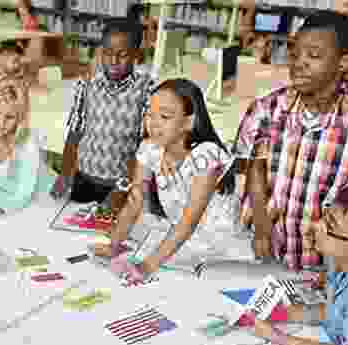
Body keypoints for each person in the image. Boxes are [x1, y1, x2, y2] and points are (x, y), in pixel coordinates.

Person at [234, 10, 348, 271]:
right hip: (255, 256)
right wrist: (261, 226)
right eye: (295, 54)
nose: (299, 63)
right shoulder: (265, 109)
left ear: (344, 62)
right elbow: (252, 167)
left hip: (320, 271)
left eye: (313, 55)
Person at [92, 79, 248, 282]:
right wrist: (113, 245)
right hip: (180, 239)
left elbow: (188, 222)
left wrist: (147, 267)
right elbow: (134, 201)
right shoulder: (150, 149)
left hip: (219, 244)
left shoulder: (206, 155)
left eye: (164, 116)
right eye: (149, 114)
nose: (153, 123)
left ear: (188, 122)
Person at [245, 184, 348, 345]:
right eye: (324, 217)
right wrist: (280, 313)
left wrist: (278, 338)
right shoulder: (340, 261)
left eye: (329, 226)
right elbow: (332, 312)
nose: (316, 225)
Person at [51, 18, 159, 204]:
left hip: (120, 185)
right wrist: (65, 175)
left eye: (122, 55)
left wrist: (123, 187)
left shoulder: (147, 89)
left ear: (135, 54)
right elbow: (75, 132)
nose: (113, 61)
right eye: (107, 53)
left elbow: (144, 146)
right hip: (84, 179)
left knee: (107, 229)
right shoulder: (86, 84)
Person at [0, 78, 54, 222]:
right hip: (10, 197)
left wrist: (0, 208)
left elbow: (24, 192)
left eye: (9, 117)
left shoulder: (27, 142)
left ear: (19, 118)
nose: (1, 123)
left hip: (44, 199)